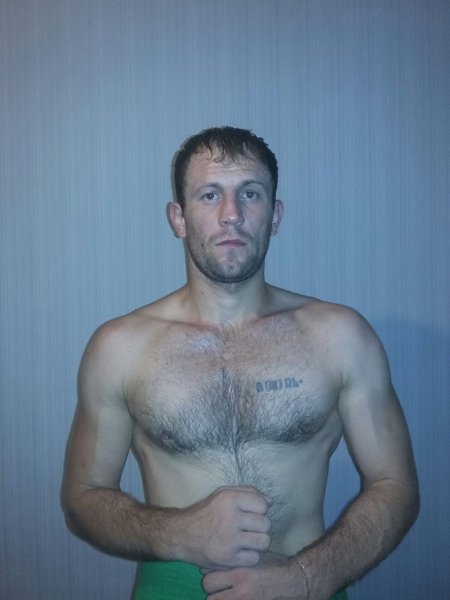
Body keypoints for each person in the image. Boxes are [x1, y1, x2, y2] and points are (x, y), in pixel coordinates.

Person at [61, 126, 419, 600]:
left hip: (307, 582)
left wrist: (308, 578)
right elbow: (83, 498)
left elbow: (396, 486)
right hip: (174, 584)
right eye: (209, 195)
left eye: (250, 193)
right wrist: (179, 533)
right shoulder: (119, 347)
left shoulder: (341, 337)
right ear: (179, 218)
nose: (231, 214)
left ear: (275, 215)